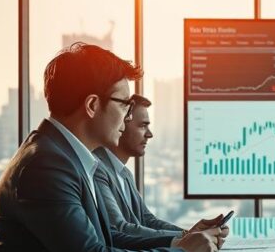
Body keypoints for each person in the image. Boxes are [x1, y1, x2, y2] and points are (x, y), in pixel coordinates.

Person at [0, 43, 225, 252]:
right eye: (124, 105)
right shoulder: (45, 166)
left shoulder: (64, 156)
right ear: (92, 105)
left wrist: (180, 242)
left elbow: (110, 238)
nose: (127, 116)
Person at [94, 94, 224, 239]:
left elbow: (147, 220)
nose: (149, 134)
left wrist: (190, 234)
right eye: (143, 126)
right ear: (121, 124)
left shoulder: (124, 173)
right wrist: (186, 237)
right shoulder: (97, 168)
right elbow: (120, 229)